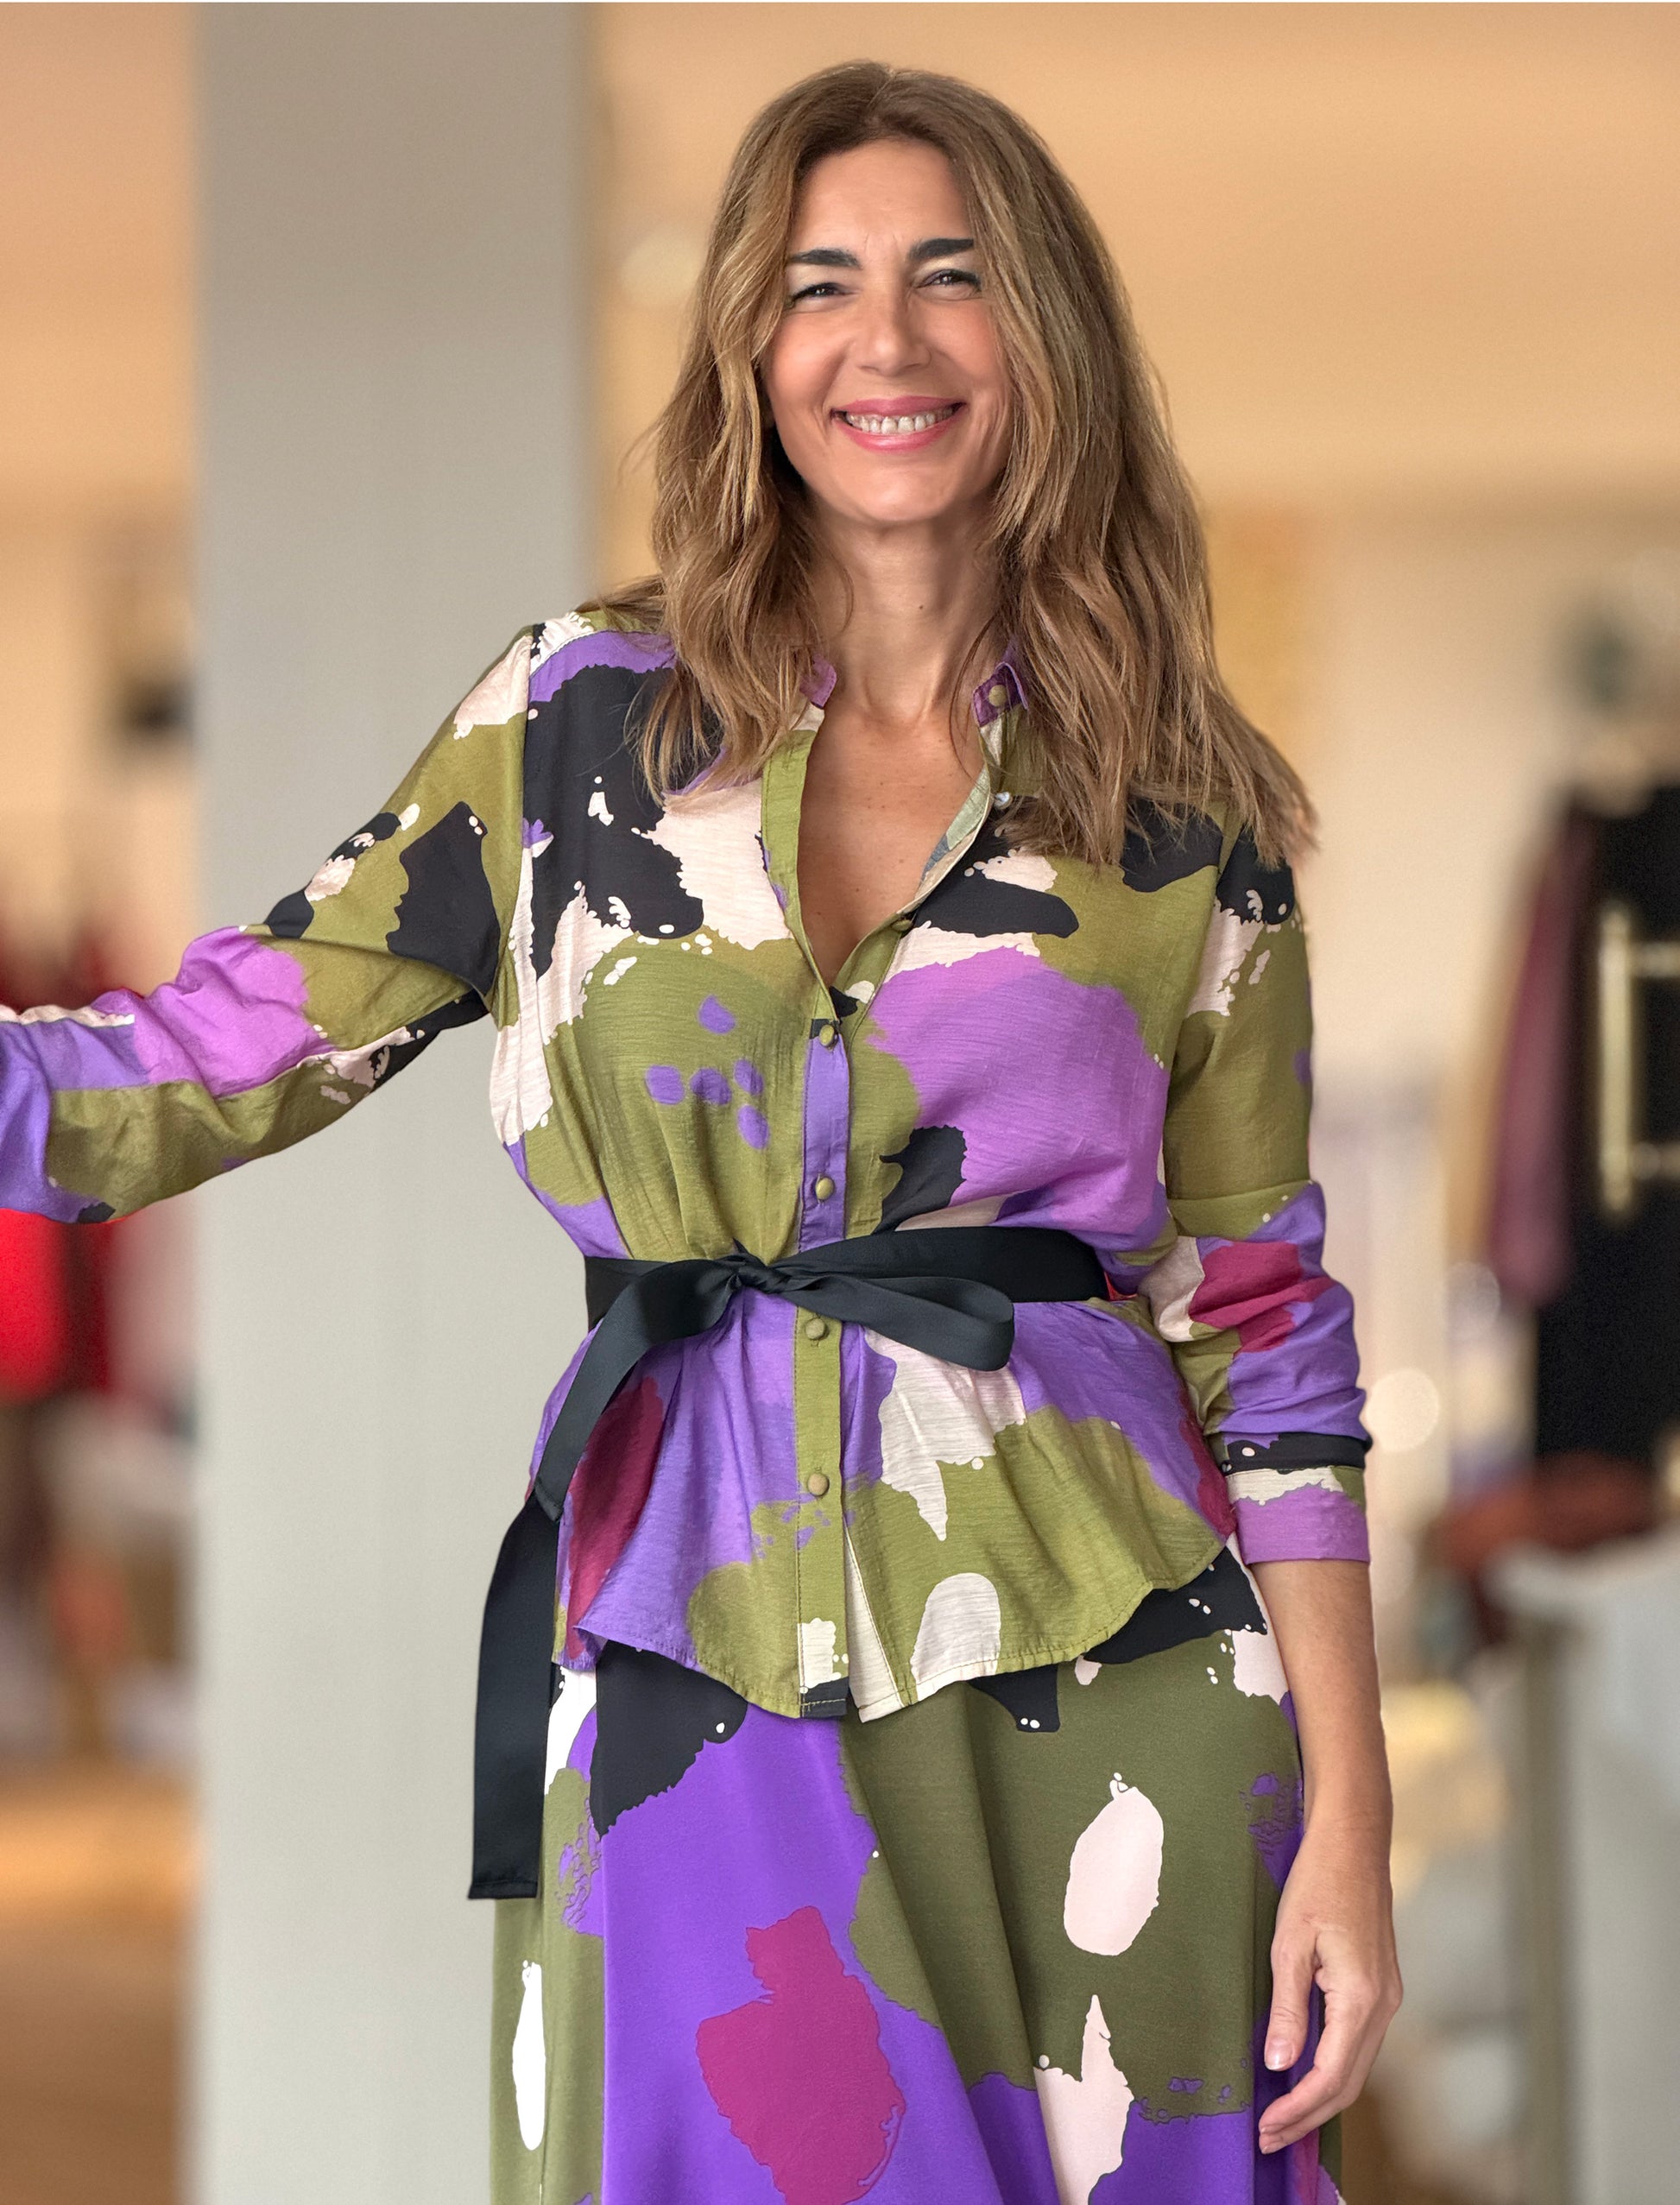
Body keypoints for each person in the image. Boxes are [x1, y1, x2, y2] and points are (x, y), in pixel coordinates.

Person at [0, 59, 1400, 2205]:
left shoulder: (1182, 809)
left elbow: (1266, 1320)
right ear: (752, 343)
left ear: (1043, 330)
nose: (885, 339)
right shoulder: (572, 726)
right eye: (820, 283)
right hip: (686, 1657)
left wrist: (1353, 1830)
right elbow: (223, 1043)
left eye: (950, 275)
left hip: (1113, 1672)